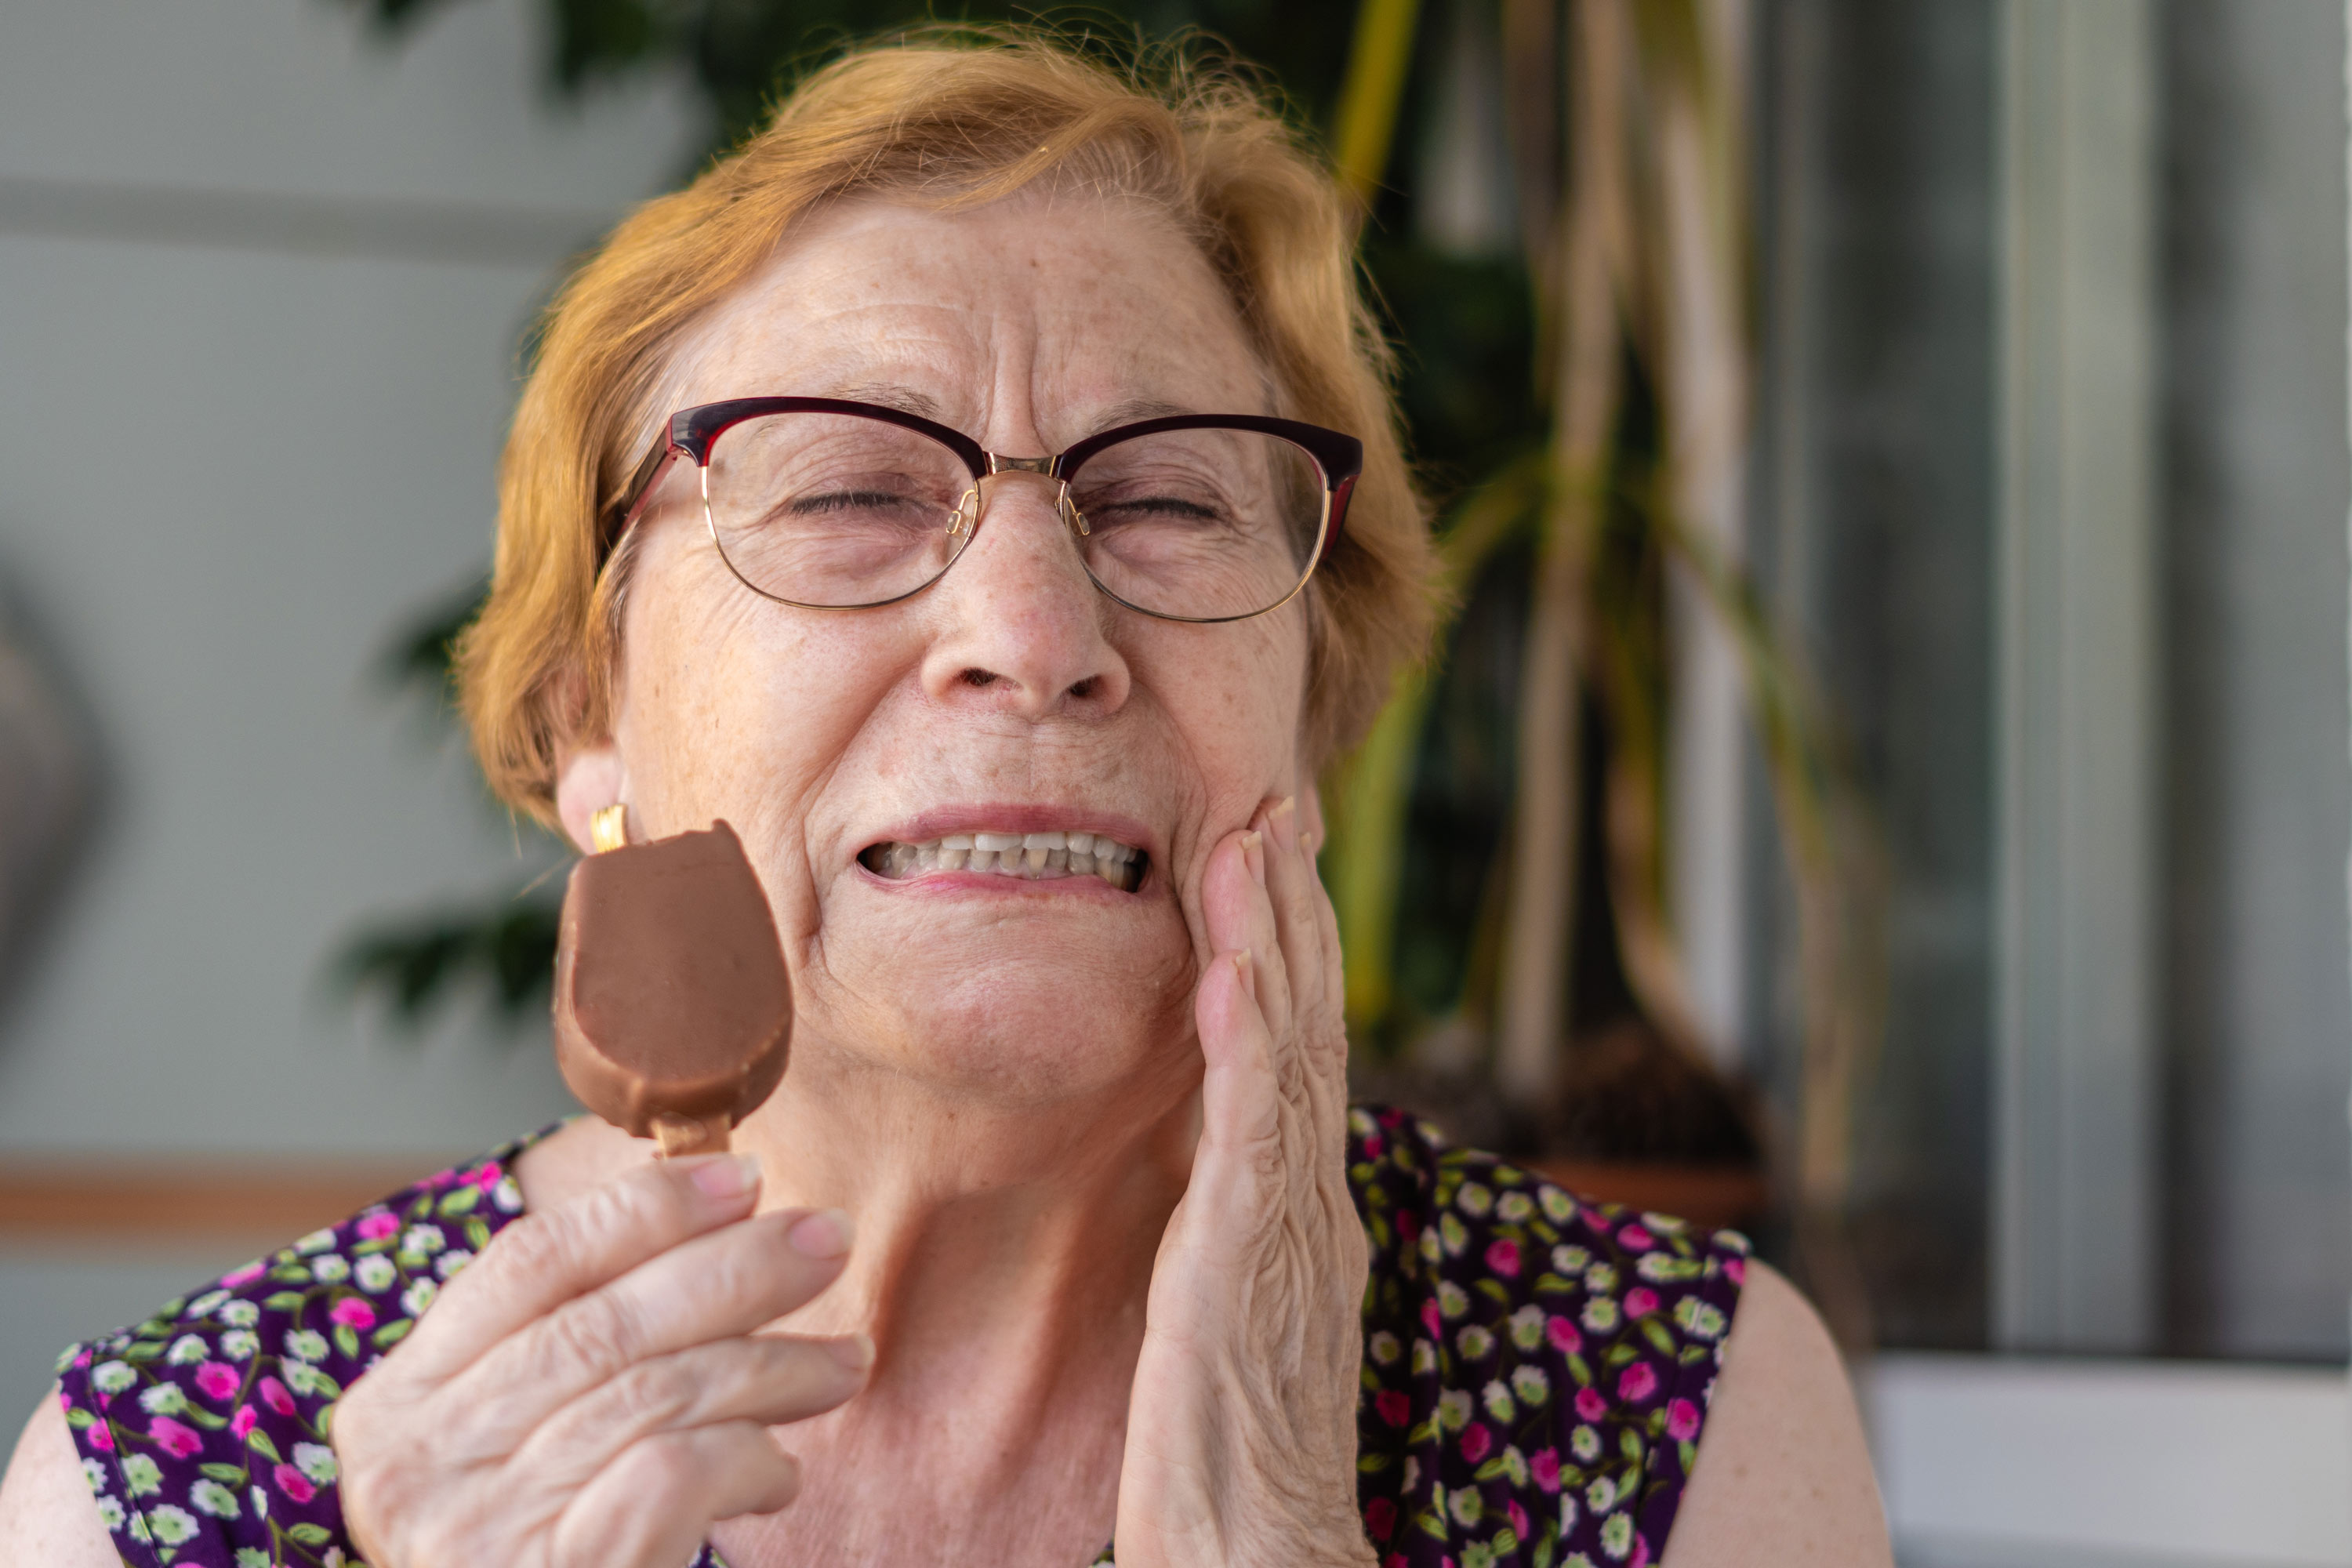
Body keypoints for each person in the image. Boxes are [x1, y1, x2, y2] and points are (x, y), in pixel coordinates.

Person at [0, 34, 1888, 1568]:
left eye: (1163, 500)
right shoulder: (170, 1491)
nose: (1035, 631)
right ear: (594, 718)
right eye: (847, 494)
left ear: (1312, 704)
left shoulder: (1677, 1425)